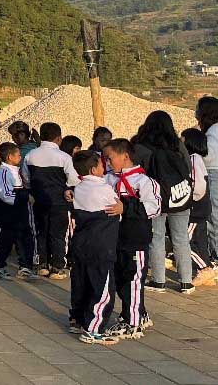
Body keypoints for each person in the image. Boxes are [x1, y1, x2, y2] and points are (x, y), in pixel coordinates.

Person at [101, 138, 160, 339]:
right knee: (119, 278)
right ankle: (138, 313)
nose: (108, 163)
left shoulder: (143, 181)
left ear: (125, 156)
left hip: (136, 239)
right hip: (115, 238)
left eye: (110, 158)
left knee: (133, 279)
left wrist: (126, 207)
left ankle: (132, 322)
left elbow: (154, 208)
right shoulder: (109, 179)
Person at [134, 111, 195, 293]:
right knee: (181, 238)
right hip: (179, 195)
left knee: (156, 238)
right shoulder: (177, 145)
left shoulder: (140, 146)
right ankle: (186, 282)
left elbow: (135, 172)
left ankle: (158, 281)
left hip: (155, 197)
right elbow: (187, 168)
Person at [68, 151, 123, 345]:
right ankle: (94, 328)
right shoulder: (104, 188)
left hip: (81, 243)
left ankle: (78, 319)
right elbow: (117, 209)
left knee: (81, 283)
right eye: (100, 164)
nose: (104, 167)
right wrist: (121, 206)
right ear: (93, 169)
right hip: (101, 245)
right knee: (103, 288)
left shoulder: (78, 188)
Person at [25, 122, 78, 279]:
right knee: (59, 234)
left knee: (41, 232)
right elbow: (73, 180)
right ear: (59, 138)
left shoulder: (30, 155)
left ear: (41, 136)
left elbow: (26, 178)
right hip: (59, 202)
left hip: (38, 200)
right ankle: (57, 267)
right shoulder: (64, 157)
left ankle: (42, 264)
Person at [0, 142, 37, 280]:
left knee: (25, 238)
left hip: (20, 212)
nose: (20, 157)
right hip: (9, 214)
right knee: (6, 240)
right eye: (18, 155)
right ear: (9, 157)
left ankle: (25, 267)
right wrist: (25, 197)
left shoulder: (15, 170)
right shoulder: (4, 172)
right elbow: (5, 194)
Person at [184, 129, 217, 285]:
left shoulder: (193, 159)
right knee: (200, 241)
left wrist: (190, 201)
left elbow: (198, 186)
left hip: (195, 209)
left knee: (183, 241)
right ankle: (207, 272)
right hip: (201, 208)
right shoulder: (198, 159)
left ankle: (205, 268)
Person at [198, 96, 218, 276]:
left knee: (214, 218)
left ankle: (216, 256)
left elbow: (209, 156)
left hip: (213, 173)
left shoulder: (213, 132)